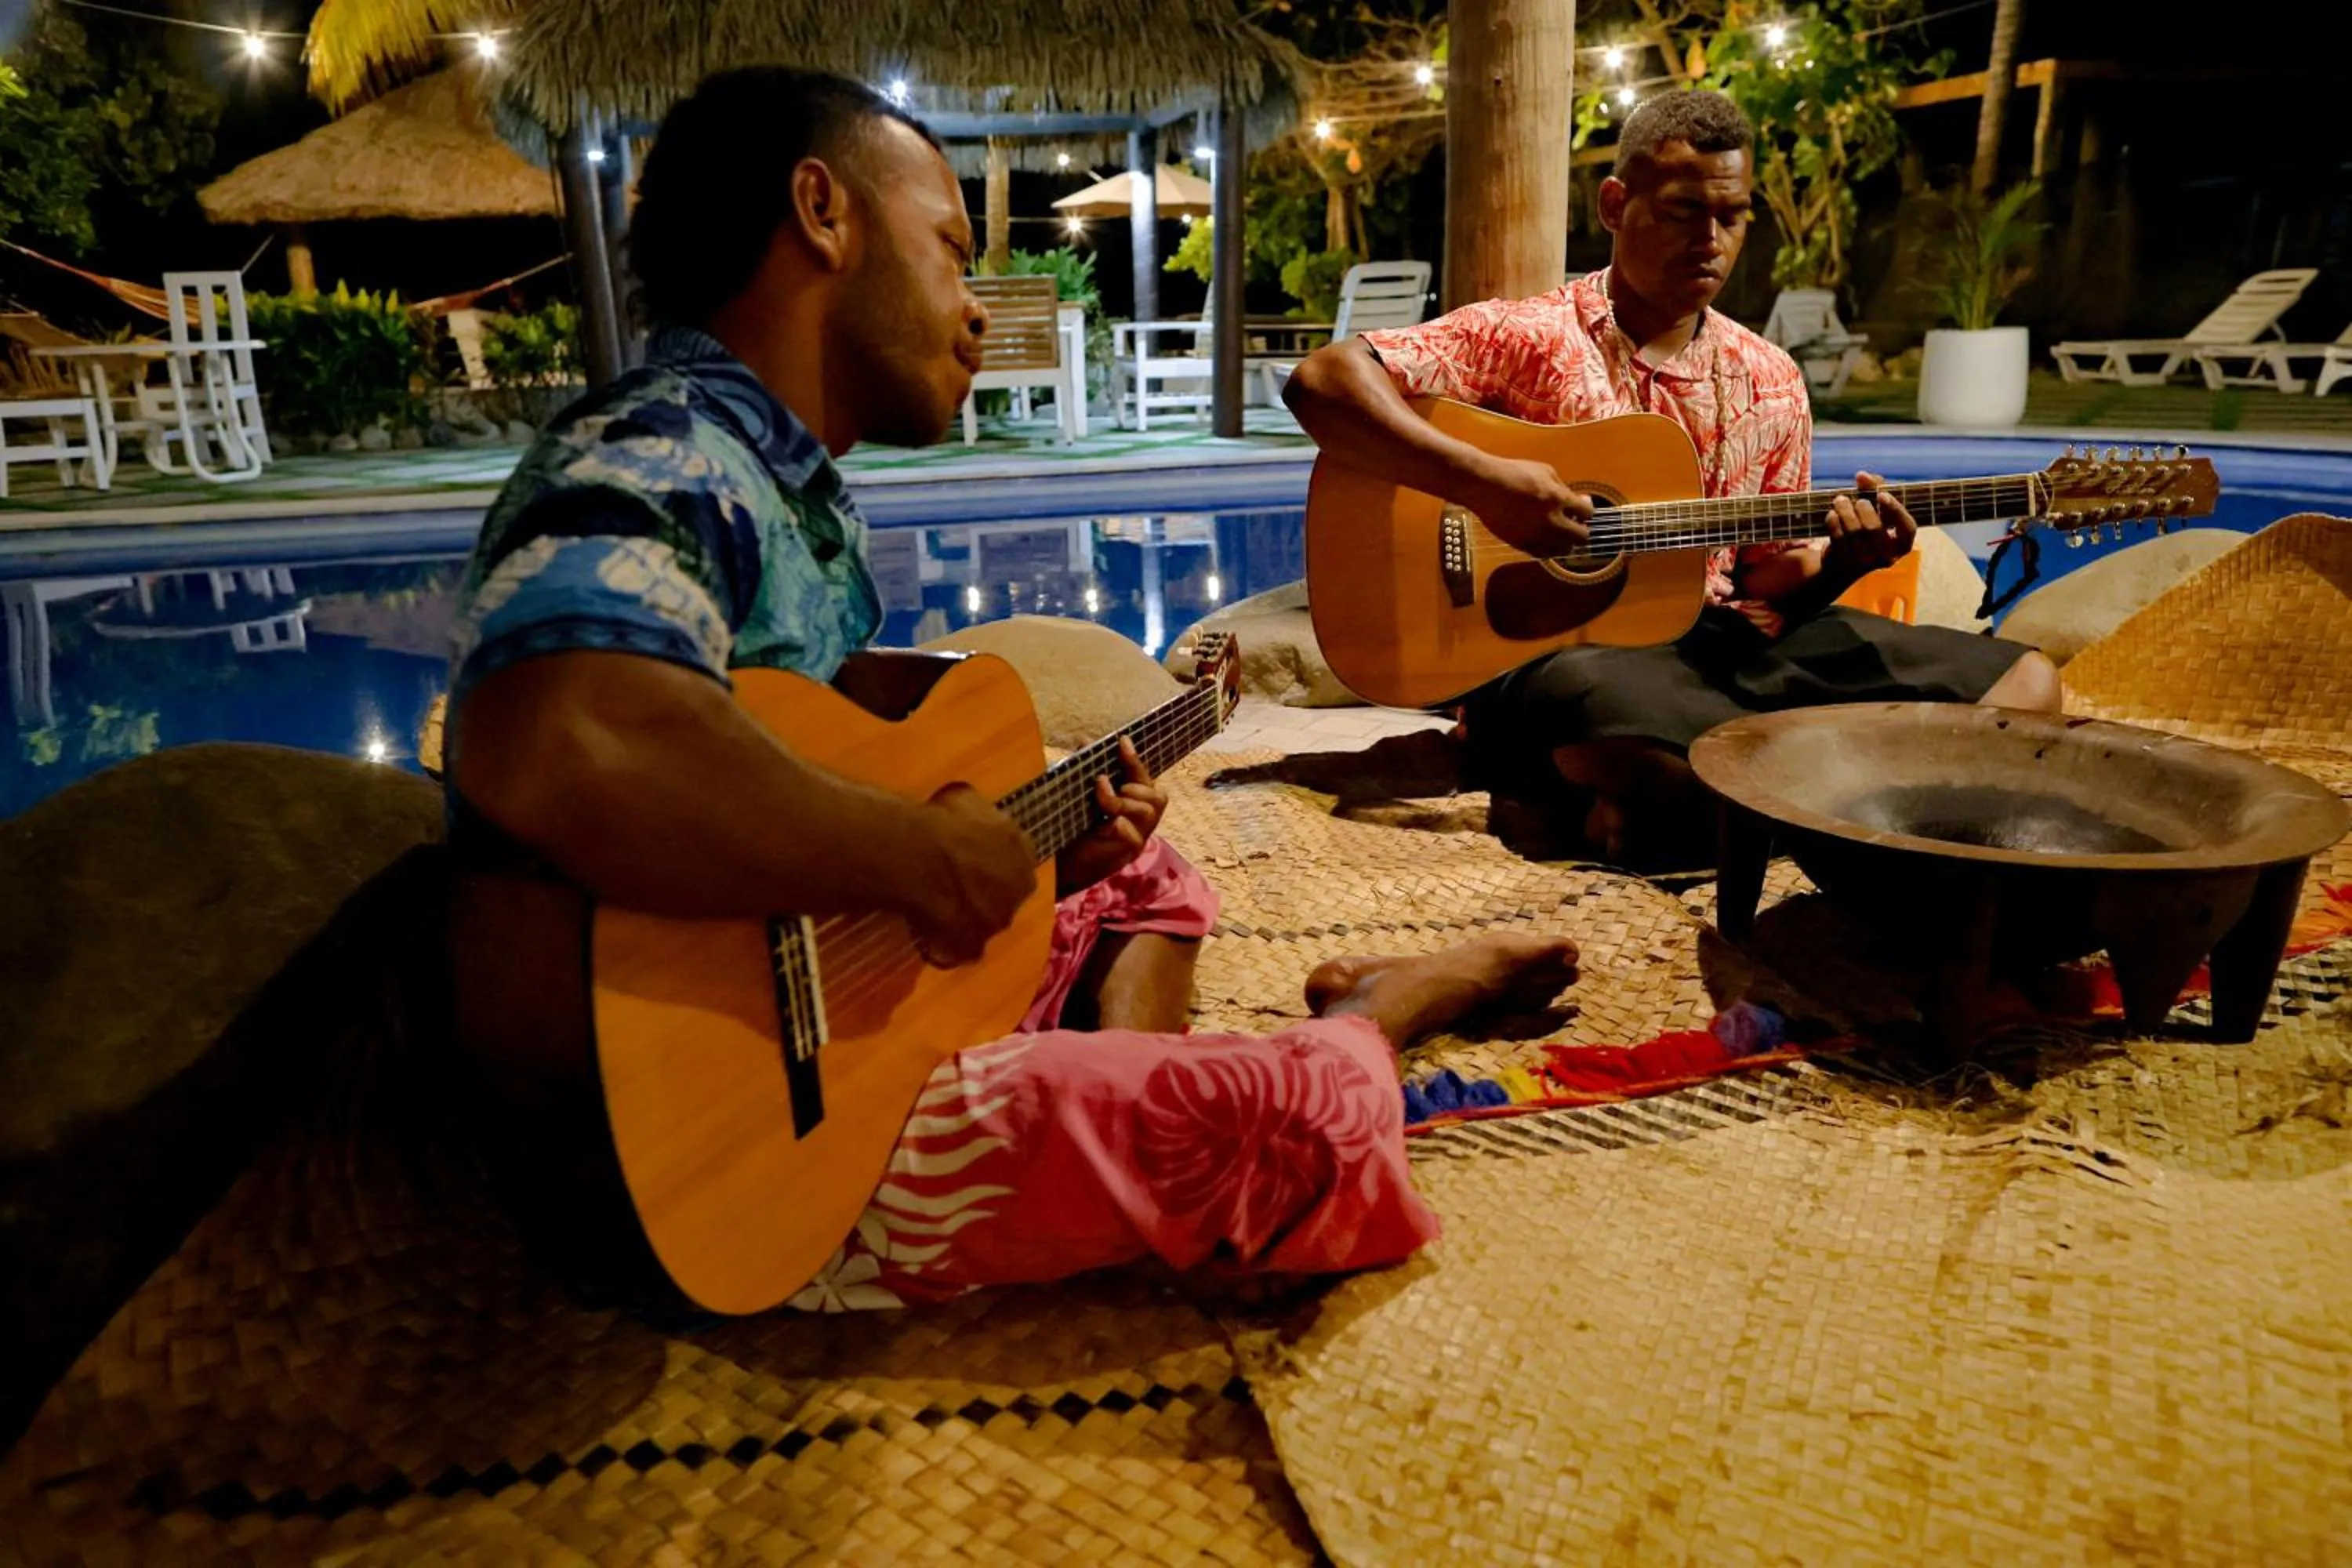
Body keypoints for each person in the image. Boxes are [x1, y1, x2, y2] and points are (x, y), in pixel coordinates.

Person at [441, 68, 1579, 1312]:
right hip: (729, 1149)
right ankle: (1383, 1004)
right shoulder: (661, 448)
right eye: (948, 250)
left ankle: (1093, 1074)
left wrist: (1024, 861)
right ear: (822, 212)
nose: (975, 309)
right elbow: (560, 732)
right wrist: (918, 859)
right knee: (1286, 1126)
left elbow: (796, 778)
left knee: (1136, 863)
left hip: (817, 998)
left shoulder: (773, 483)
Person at [1284, 89, 2061, 868]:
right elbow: (1324, 382)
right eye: (1686, 210)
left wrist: (1849, 560)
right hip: (1575, 659)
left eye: (1732, 215)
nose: (1712, 239)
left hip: (1730, 648)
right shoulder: (1527, 337)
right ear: (1616, 204)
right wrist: (1488, 484)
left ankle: (1706, 801)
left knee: (2024, 688)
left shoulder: (1771, 378)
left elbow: (1771, 575)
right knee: (1606, 717)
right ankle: (1779, 796)